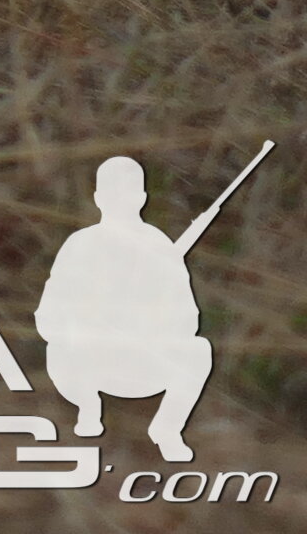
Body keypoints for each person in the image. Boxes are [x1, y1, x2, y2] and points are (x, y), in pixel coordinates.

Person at [39, 155, 223, 463]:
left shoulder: (159, 246)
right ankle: (88, 408)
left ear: (142, 198)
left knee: (199, 350)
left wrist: (151, 322)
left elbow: (188, 317)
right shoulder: (79, 244)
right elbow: (49, 313)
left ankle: (167, 428)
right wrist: (85, 328)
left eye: (127, 192)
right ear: (98, 198)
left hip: (143, 361)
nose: (119, 200)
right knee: (59, 348)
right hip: (88, 360)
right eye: (112, 192)